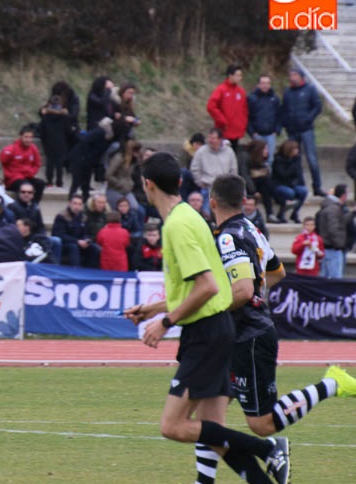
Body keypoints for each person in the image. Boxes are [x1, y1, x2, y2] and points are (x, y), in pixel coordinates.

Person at [122, 152, 291, 484]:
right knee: (214, 432)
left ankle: (268, 448)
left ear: (147, 185)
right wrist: (152, 309)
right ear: (181, 183)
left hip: (206, 333)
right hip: (216, 330)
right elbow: (202, 285)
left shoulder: (176, 226)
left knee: (172, 426)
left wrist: (166, 322)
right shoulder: (191, 216)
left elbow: (209, 286)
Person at [198, 173, 356, 483]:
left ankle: (331, 385)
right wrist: (256, 291)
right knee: (207, 416)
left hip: (248, 336)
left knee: (262, 423)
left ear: (212, 202)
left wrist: (214, 307)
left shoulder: (229, 236)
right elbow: (278, 272)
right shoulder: (251, 229)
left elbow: (242, 292)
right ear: (244, 201)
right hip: (233, 334)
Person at [280, 68, 324, 196]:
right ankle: (300, 184)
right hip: (292, 130)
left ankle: (317, 186)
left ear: (301, 77)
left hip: (306, 129)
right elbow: (284, 109)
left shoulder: (310, 89)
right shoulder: (288, 92)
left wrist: (308, 119)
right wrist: (285, 123)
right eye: (290, 75)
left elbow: (317, 106)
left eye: (294, 75)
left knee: (312, 158)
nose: (292, 78)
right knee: (295, 159)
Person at [190, 128, 237, 213]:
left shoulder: (229, 152)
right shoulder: (201, 151)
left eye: (213, 138)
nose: (210, 140)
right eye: (209, 138)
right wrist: (200, 182)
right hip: (206, 187)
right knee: (206, 212)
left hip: (224, 188)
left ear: (220, 139)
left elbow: (233, 170)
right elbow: (194, 168)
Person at [52, 194, 101, 268]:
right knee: (73, 247)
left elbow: (86, 232)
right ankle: (76, 272)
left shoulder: (83, 217)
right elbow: (59, 234)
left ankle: (91, 273)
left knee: (95, 248)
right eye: (74, 203)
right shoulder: (61, 216)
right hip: (65, 243)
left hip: (79, 242)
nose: (77, 206)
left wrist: (86, 240)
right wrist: (77, 241)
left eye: (79, 204)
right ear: (69, 203)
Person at [315, 183, 352, 279]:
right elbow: (333, 229)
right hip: (333, 249)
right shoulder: (333, 208)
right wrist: (340, 245)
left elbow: (341, 222)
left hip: (331, 248)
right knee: (334, 279)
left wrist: (352, 213)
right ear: (343, 195)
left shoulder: (334, 207)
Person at [37, 94, 73, 188]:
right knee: (59, 164)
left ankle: (49, 181)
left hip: (49, 142)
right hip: (61, 142)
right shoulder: (65, 117)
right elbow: (69, 131)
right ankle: (59, 182)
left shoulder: (46, 117)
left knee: (50, 162)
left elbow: (41, 130)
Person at [206, 64, 248, 142]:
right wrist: (222, 120)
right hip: (224, 131)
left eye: (240, 75)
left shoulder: (241, 91)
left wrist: (243, 124)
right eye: (237, 75)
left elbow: (244, 110)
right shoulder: (221, 89)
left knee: (233, 153)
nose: (240, 78)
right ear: (230, 76)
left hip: (236, 131)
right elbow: (211, 106)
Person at [271, 139, 308, 224]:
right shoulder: (278, 160)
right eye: (295, 149)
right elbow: (282, 175)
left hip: (293, 184)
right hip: (280, 184)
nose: (297, 151)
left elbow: (299, 174)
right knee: (289, 193)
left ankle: (295, 213)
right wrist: (292, 165)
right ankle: (281, 213)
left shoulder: (296, 159)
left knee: (303, 191)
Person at [247, 74, 280, 167]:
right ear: (258, 84)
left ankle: (269, 180)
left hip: (271, 134)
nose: (265, 85)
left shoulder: (275, 98)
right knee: (257, 159)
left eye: (267, 83)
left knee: (270, 160)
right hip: (257, 134)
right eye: (263, 83)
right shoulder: (252, 98)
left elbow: (279, 116)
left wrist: (276, 131)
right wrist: (252, 132)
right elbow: (248, 116)